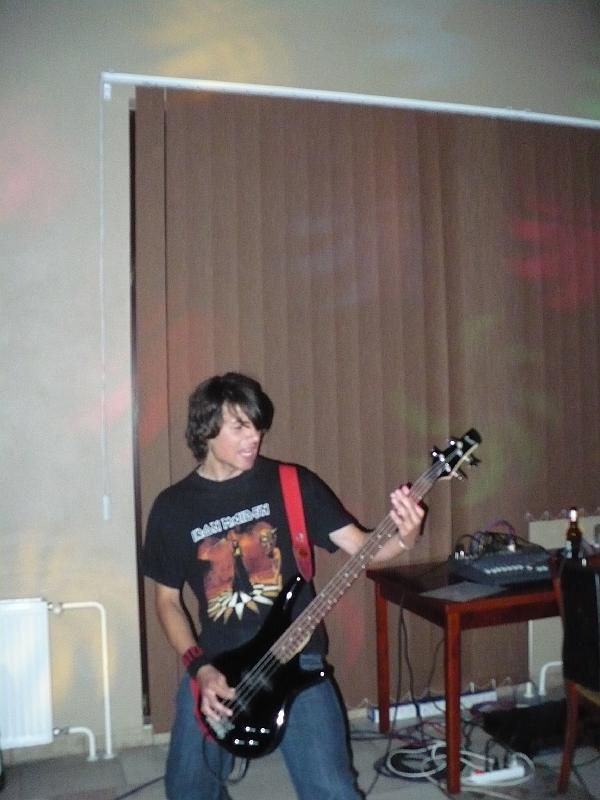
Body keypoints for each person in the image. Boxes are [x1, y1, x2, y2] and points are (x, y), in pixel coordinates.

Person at [143, 372, 424, 799]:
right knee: (187, 792)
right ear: (206, 430)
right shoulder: (172, 508)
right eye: (240, 427)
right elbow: (166, 601)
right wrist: (200, 669)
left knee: (333, 791)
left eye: (257, 426)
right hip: (218, 665)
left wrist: (405, 537)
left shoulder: (292, 484)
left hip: (297, 660)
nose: (254, 437)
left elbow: (365, 549)